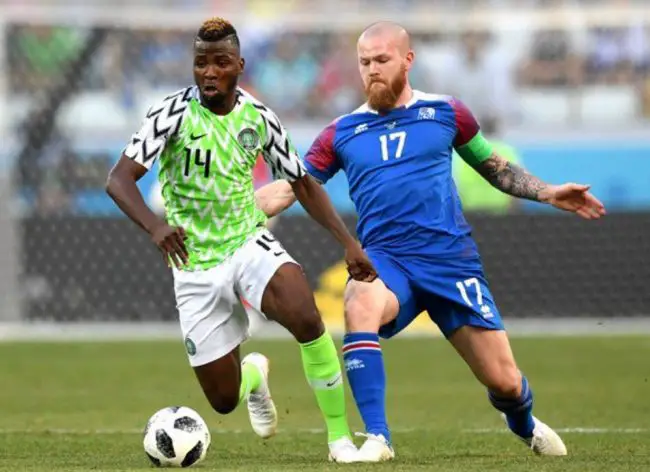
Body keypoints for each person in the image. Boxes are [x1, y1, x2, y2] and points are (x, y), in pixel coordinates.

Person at [254, 21, 606, 462]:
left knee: (505, 382)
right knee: (358, 298)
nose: (372, 70)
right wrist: (230, 213)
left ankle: (525, 422)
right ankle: (378, 438)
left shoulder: (446, 112)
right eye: (364, 62)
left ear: (408, 60)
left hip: (449, 262)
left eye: (382, 60)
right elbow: (292, 188)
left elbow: (496, 168)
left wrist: (549, 192)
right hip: (386, 261)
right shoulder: (341, 132)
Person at [105, 17, 376, 463]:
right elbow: (119, 179)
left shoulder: (259, 117)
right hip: (193, 263)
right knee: (223, 400)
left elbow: (303, 184)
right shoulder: (170, 113)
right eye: (201, 63)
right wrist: (155, 227)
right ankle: (253, 376)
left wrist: (348, 242)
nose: (209, 72)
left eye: (221, 62)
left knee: (306, 317)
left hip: (247, 241)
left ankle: (340, 440)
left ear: (240, 65)